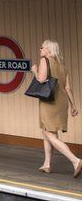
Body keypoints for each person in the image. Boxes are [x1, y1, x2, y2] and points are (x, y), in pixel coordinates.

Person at [32, 40, 82, 177]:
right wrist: (73, 105)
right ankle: (47, 164)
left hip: (49, 101)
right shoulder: (62, 66)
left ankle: (75, 160)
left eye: (42, 47)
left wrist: (35, 71)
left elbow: (41, 79)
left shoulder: (44, 60)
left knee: (49, 134)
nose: (40, 49)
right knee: (47, 131)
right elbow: (67, 88)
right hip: (62, 102)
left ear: (48, 50)